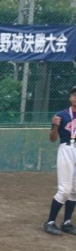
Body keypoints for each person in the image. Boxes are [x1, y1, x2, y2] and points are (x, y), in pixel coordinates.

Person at [43, 85, 76, 235]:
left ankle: (67, 222)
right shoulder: (61, 115)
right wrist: (56, 126)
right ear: (70, 98)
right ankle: (50, 222)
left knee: (75, 190)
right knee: (64, 189)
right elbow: (52, 139)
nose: (75, 97)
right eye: (73, 94)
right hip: (67, 149)